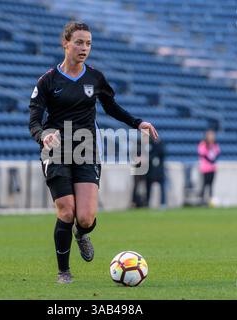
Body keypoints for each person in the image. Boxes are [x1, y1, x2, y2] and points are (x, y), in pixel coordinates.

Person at [29, 22, 159, 284]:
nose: (84, 48)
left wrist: (137, 122)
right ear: (65, 43)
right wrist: (44, 136)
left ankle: (82, 233)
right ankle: (64, 272)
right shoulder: (47, 81)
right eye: (79, 42)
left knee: (85, 218)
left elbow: (112, 108)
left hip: (86, 147)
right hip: (56, 149)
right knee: (66, 211)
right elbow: (34, 120)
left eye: (88, 43)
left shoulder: (95, 78)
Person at [198, 129, 220, 206]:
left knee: (211, 185)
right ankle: (202, 201)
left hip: (212, 168)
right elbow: (203, 154)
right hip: (205, 168)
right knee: (204, 185)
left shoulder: (215, 145)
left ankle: (211, 201)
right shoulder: (203, 144)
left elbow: (217, 153)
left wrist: (213, 160)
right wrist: (211, 160)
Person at [145, 136, 167, 208]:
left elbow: (163, 153)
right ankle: (147, 202)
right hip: (150, 171)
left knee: (162, 187)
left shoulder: (160, 144)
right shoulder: (149, 144)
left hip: (159, 171)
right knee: (148, 187)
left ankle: (163, 203)